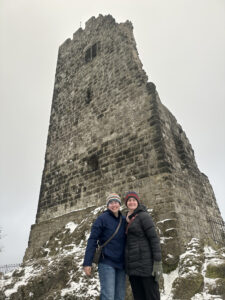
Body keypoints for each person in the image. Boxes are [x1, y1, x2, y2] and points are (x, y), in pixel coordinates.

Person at [83, 193, 126, 300]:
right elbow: (92, 240)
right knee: (108, 296)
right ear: (107, 205)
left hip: (121, 264)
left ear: (119, 204)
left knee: (120, 297)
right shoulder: (102, 219)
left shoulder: (124, 220)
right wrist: (87, 263)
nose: (114, 205)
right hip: (106, 261)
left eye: (116, 202)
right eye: (111, 203)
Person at [124, 191, 162, 300]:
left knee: (151, 296)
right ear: (126, 203)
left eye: (134, 200)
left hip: (146, 267)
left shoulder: (143, 216)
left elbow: (154, 239)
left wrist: (157, 262)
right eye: (129, 200)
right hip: (133, 268)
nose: (131, 202)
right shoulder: (127, 219)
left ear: (138, 202)